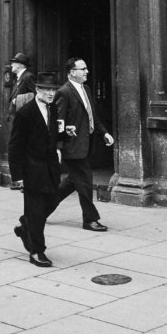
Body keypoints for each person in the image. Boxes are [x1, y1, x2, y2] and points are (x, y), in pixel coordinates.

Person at [49, 57, 114, 231]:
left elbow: (92, 117)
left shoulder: (85, 89)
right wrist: (58, 148)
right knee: (85, 182)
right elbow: (58, 121)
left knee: (72, 182)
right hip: (72, 146)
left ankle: (40, 209)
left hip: (85, 144)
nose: (87, 71)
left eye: (86, 68)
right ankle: (90, 220)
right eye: (82, 69)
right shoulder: (64, 92)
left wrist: (105, 133)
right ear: (72, 72)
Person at [9, 71, 61, 267]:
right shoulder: (25, 113)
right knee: (37, 213)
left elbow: (50, 136)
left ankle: (25, 225)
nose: (51, 93)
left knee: (52, 201)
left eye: (54, 90)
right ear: (38, 89)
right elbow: (14, 146)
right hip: (31, 170)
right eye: (47, 89)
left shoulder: (53, 108)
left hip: (50, 168)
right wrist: (18, 177)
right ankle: (37, 251)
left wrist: (65, 134)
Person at [7, 52, 36, 189]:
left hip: (23, 119)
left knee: (20, 148)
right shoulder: (19, 78)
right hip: (17, 118)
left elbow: (35, 96)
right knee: (17, 148)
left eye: (13, 62)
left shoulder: (28, 77)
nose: (11, 65)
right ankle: (21, 180)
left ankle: (24, 180)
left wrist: (17, 100)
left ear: (19, 65)